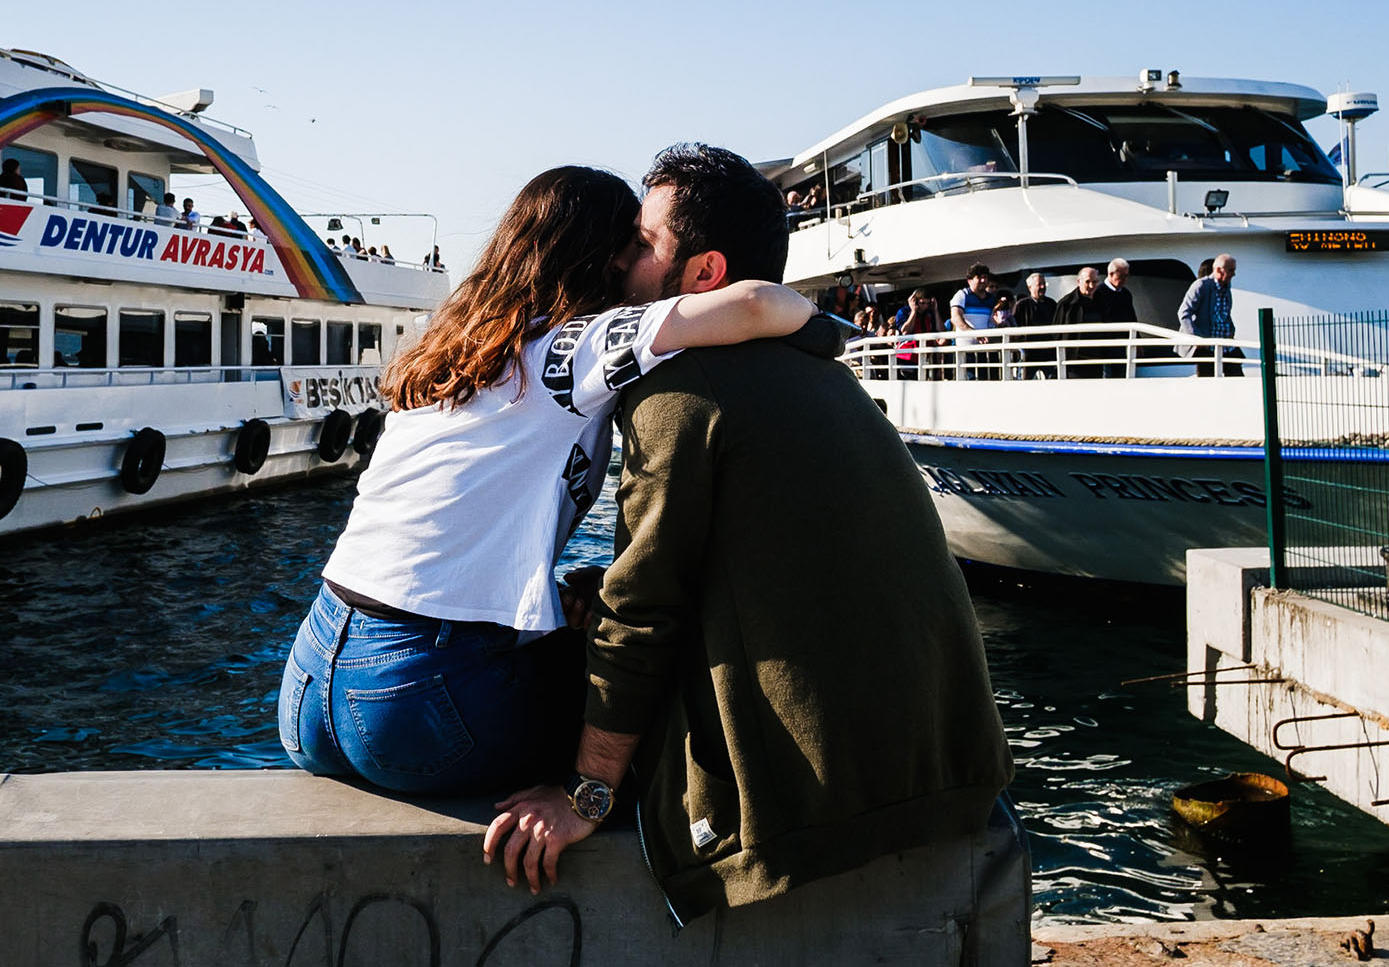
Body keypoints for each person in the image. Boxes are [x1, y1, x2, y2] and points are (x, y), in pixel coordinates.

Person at [483, 144, 1022, 943]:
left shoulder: (678, 395)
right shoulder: (827, 379)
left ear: (703, 275)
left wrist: (586, 794)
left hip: (808, 812)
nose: (620, 260)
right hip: (951, 772)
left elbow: (644, 612)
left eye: (642, 244)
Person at [277, 166, 817, 798]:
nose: (634, 264)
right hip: (420, 699)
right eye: (633, 247)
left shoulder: (453, 352)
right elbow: (754, 303)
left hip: (310, 685)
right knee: (650, 672)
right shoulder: (569, 351)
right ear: (602, 257)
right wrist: (828, 332)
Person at [1178, 253, 1242, 376]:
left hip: (1225, 343)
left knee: (1236, 376)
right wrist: (1196, 338)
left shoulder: (1226, 286)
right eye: (1231, 270)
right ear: (1219, 270)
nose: (1234, 274)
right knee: (1207, 378)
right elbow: (1184, 313)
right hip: (1207, 345)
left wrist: (1231, 330)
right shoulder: (1201, 286)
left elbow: (1225, 313)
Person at [1053, 266, 1114, 377]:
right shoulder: (1066, 304)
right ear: (1078, 281)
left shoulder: (1103, 301)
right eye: (1087, 282)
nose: (1091, 286)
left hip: (1098, 361)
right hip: (1074, 362)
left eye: (1094, 282)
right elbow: (1056, 334)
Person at [950, 263, 999, 381]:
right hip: (966, 350)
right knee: (969, 382)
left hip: (985, 349)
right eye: (979, 277)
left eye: (985, 277)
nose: (983, 280)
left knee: (989, 381)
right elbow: (956, 317)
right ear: (969, 281)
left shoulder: (991, 299)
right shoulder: (962, 295)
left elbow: (993, 321)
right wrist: (974, 333)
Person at [1011, 272, 1058, 379]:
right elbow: (1014, 327)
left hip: (1048, 353)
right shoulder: (1021, 305)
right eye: (1039, 284)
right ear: (1029, 287)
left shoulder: (1051, 304)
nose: (1042, 287)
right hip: (1028, 354)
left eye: (1043, 284)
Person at [1100, 258, 1140, 377]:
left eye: (1127, 276)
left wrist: (1137, 340)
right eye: (1122, 276)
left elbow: (1132, 317)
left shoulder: (1126, 294)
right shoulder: (1099, 293)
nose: (1125, 280)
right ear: (1111, 274)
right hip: (1106, 347)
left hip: (1124, 347)